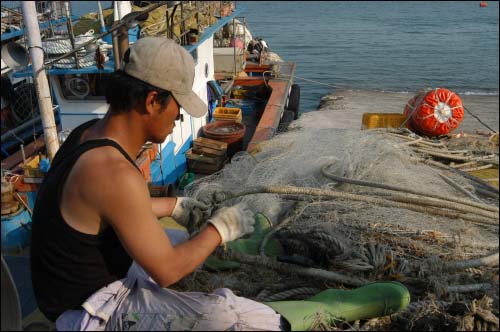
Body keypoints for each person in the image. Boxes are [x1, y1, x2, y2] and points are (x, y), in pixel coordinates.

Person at [31, 37, 409, 331]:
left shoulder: (87, 136)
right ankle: (326, 306)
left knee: (174, 237)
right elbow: (167, 271)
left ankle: (228, 247)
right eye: (177, 105)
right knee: (223, 315)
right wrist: (218, 228)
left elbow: (107, 211)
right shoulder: (114, 170)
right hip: (90, 311)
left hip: (85, 282)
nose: (179, 117)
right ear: (151, 101)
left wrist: (172, 206)